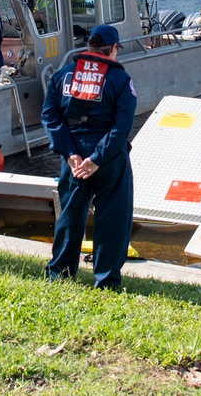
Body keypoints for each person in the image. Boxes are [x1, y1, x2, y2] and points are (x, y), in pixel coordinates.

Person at [41, 24, 137, 291]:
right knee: (112, 218)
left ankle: (59, 273)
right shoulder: (120, 81)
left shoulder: (62, 75)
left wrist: (70, 153)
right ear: (114, 48)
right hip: (107, 158)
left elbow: (50, 117)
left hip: (72, 155)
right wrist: (97, 158)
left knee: (70, 215)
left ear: (89, 46)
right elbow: (121, 126)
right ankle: (106, 280)